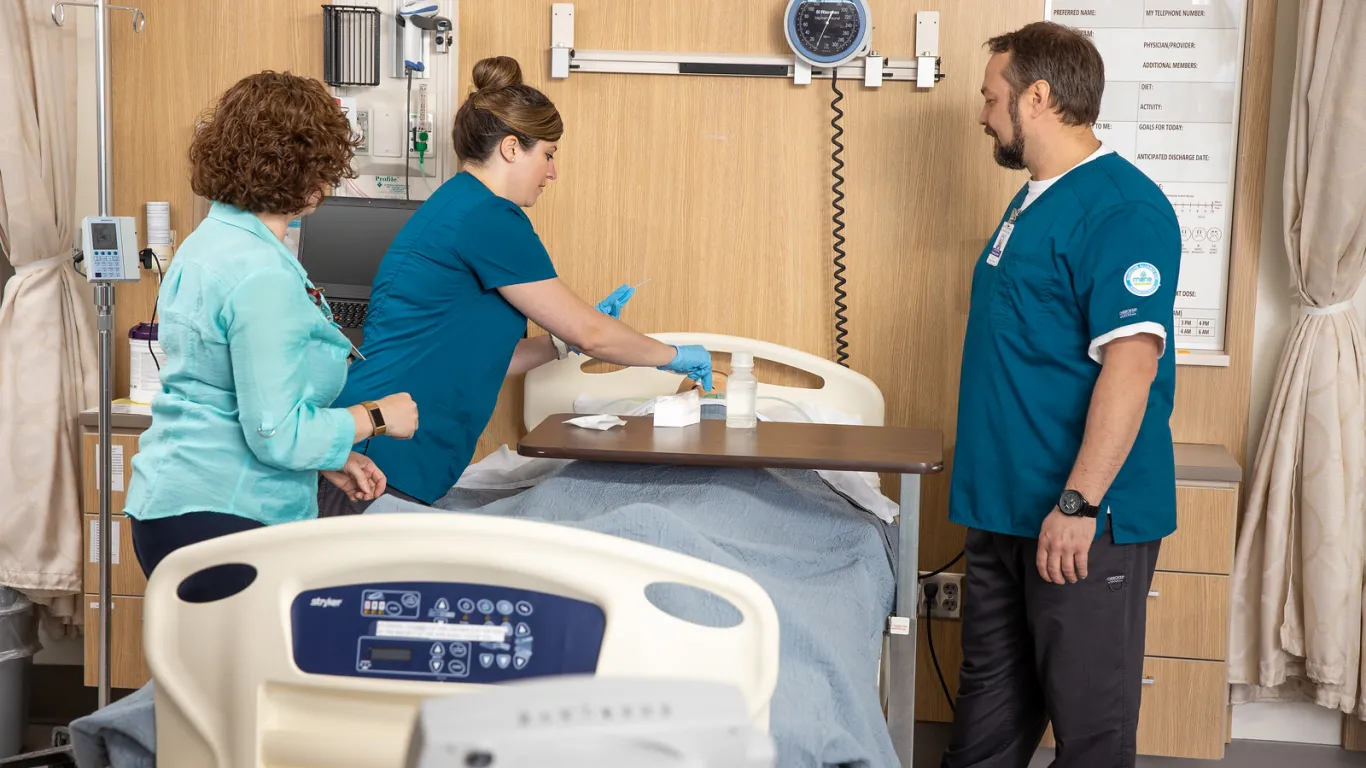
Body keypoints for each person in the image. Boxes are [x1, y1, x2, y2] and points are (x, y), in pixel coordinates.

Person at [321, 56, 713, 515]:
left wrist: (562, 346)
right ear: (511, 148)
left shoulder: (458, 204)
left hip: (390, 449)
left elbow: (479, 359)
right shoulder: (489, 218)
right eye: (547, 155)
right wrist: (677, 356)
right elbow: (593, 333)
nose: (552, 173)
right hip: (377, 463)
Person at [942, 22, 1181, 768]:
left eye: (991, 97)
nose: (983, 113)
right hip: (1005, 510)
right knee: (983, 729)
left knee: (1090, 733)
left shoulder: (1122, 210)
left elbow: (1131, 368)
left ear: (1036, 97)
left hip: (1081, 520)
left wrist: (1076, 506)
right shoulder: (1033, 201)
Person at [123, 72, 420, 585]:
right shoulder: (261, 272)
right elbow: (278, 435)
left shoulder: (207, 242)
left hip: (174, 509)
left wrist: (325, 457)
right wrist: (376, 416)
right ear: (312, 170)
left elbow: (234, 402)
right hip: (225, 518)